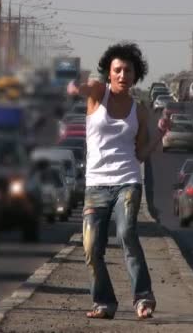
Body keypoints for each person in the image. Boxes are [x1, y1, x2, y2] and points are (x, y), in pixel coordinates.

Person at [66, 42, 170, 320]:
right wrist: (78, 87)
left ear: (136, 75)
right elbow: (85, 88)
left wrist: (160, 136)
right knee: (91, 248)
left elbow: (140, 155)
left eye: (129, 70)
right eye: (118, 70)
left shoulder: (140, 111)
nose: (123, 75)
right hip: (95, 185)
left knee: (126, 233)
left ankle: (143, 298)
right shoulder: (99, 94)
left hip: (127, 181)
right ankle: (104, 303)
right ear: (109, 74)